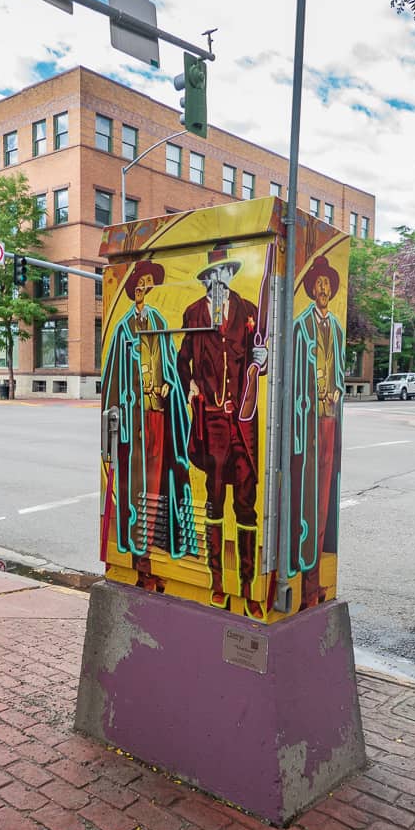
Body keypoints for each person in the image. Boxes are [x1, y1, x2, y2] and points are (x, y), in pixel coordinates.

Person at [177, 244, 267, 618]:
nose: (217, 281)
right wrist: (190, 388)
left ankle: (248, 584)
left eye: (222, 274)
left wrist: (262, 362)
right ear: (205, 281)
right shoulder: (194, 313)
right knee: (214, 499)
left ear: (230, 275)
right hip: (212, 421)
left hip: (243, 422)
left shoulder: (250, 312)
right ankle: (216, 581)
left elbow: (259, 355)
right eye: (210, 276)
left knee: (246, 501)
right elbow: (182, 360)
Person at [103, 258, 196, 589]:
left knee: (157, 487)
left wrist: (168, 383)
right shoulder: (122, 329)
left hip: (158, 416)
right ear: (133, 290)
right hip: (134, 422)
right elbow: (113, 381)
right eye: (138, 283)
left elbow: (169, 364)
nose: (143, 288)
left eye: (147, 283)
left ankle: (155, 555)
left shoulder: (158, 320)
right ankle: (141, 562)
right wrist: (110, 437)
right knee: (136, 489)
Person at [290, 254, 345, 609]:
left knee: (323, 502)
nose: (323, 290)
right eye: (319, 285)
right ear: (312, 290)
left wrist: (337, 389)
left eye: (327, 285)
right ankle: (307, 584)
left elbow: (338, 370)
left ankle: (314, 583)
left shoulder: (336, 328)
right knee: (306, 504)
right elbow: (294, 380)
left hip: (329, 423)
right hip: (306, 425)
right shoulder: (300, 326)